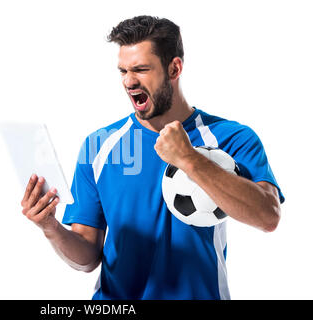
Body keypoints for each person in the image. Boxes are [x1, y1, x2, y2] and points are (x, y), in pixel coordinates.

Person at [20, 15, 284, 300]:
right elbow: (86, 257)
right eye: (123, 70)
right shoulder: (99, 145)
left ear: (174, 68)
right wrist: (50, 227)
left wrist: (190, 159)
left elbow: (267, 216)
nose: (129, 81)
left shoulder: (230, 137)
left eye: (141, 69)